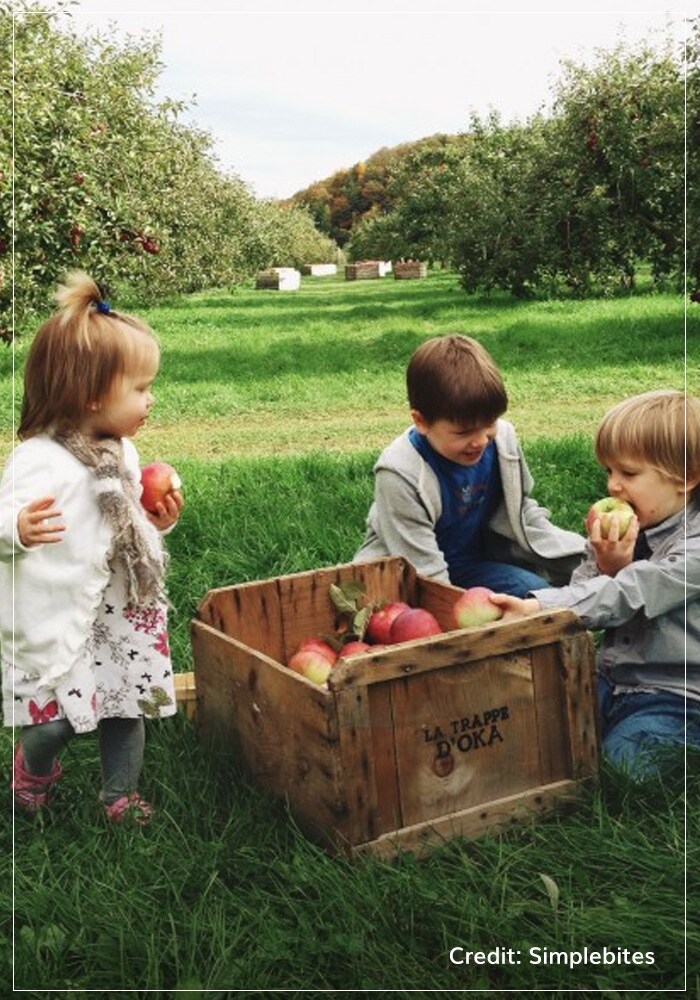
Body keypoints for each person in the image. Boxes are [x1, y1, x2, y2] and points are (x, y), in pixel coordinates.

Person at [0, 271, 184, 823]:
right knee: (53, 720)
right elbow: (4, 517)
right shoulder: (38, 459)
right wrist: (18, 529)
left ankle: (119, 795)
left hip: (120, 608)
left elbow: (124, 525)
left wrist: (156, 520)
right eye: (141, 387)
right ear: (90, 394)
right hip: (63, 614)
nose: (151, 400)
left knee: (127, 706)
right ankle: (32, 772)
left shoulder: (123, 454)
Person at [491, 389, 700, 779]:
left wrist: (540, 608)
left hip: (678, 697)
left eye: (629, 473)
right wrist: (608, 564)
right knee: (536, 735)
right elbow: (587, 589)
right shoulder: (622, 528)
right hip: (611, 680)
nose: (613, 487)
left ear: (686, 478)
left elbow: (633, 592)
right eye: (609, 471)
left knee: (619, 767)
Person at [354, 334, 585, 595]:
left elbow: (520, 509)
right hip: (405, 573)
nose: (480, 441)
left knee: (537, 594)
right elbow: (419, 569)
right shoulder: (400, 473)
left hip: (473, 565)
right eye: (463, 432)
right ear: (421, 421)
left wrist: (577, 553)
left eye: (489, 423)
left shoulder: (502, 442)